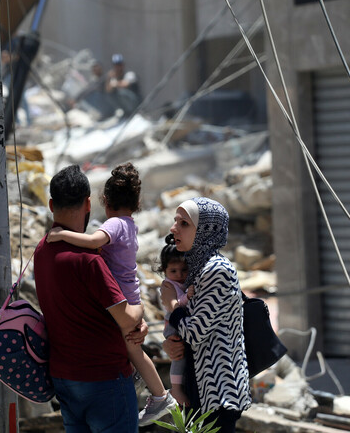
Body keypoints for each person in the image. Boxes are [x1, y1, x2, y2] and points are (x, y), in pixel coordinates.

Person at [47, 163, 178, 425]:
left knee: (134, 351)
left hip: (125, 299)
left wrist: (61, 234)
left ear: (104, 202)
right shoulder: (128, 224)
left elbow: (94, 242)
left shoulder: (115, 224)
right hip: (128, 295)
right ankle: (160, 395)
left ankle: (161, 396)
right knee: (134, 351)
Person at [34, 164, 146, 433]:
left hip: (64, 378)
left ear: (51, 204)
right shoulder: (89, 261)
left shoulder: (41, 250)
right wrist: (139, 309)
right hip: (104, 379)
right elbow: (128, 318)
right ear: (88, 203)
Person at [161, 197, 251, 433]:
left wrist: (171, 307)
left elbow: (195, 332)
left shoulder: (217, 270)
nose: (174, 228)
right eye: (175, 221)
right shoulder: (198, 268)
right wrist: (170, 343)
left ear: (205, 230)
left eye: (184, 223)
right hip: (200, 386)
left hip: (218, 391)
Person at [158, 241, 193, 408]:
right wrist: (188, 296)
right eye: (173, 271)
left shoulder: (183, 282)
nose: (179, 274)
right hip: (172, 325)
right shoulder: (168, 285)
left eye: (183, 270)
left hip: (179, 323)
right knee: (178, 356)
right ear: (164, 271)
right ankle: (176, 388)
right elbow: (175, 305)